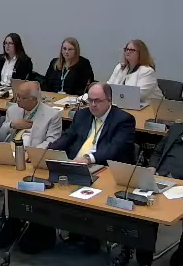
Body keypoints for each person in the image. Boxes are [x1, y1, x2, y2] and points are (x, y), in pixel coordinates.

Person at [49, 82, 136, 254]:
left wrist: (89, 158)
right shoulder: (82, 115)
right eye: (90, 100)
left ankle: (90, 235)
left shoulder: (123, 120)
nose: (93, 105)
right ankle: (70, 229)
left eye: (98, 101)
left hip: (105, 168)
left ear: (109, 101)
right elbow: (67, 137)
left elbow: (115, 148)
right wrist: (46, 152)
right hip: (77, 164)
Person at [0, 82, 62, 241]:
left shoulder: (52, 115)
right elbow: (0, 135)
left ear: (34, 99)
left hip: (30, 159)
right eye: (17, 95)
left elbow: (52, 142)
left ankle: (14, 221)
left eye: (21, 97)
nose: (17, 99)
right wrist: (12, 124)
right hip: (7, 154)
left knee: (16, 182)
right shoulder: (13, 110)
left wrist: (30, 153)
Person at [107, 123, 183, 266]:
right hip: (160, 178)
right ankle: (132, 251)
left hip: (181, 185)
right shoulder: (177, 128)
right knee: (132, 205)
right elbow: (158, 152)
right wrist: (152, 167)